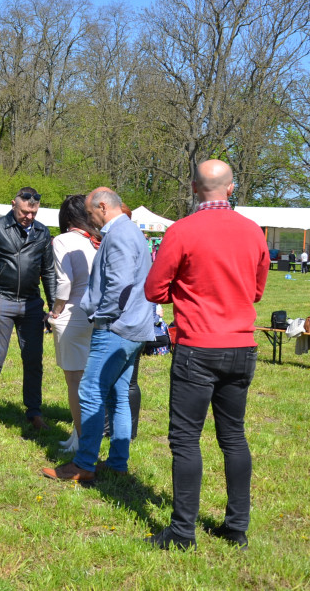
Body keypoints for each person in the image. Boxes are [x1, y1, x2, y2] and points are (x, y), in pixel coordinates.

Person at [142, 160, 269, 551]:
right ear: (231, 189)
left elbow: (154, 289)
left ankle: (182, 533)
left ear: (195, 188)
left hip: (198, 344)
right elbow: (258, 291)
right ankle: (237, 528)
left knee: (185, 439)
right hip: (241, 343)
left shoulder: (181, 231)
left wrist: (185, 289)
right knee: (233, 436)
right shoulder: (253, 232)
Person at [42, 187, 154, 482]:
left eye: (91, 214)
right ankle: (117, 462)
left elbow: (118, 285)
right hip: (135, 327)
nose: (90, 221)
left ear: (103, 207)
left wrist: (101, 316)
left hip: (116, 328)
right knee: (118, 396)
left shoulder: (117, 235)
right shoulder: (133, 232)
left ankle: (84, 464)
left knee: (90, 392)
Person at [0, 187, 55, 429]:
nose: (29, 216)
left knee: (33, 359)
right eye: (24, 211)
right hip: (1, 300)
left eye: (33, 212)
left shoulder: (42, 233)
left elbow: (48, 271)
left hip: (31, 304)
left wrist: (51, 306)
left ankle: (34, 412)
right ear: (13, 204)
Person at [47, 195, 101, 454]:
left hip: (72, 315)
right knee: (91, 381)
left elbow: (64, 283)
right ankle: (79, 435)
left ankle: (81, 440)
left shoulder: (62, 240)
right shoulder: (97, 242)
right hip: (97, 314)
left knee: (74, 381)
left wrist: (55, 311)